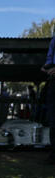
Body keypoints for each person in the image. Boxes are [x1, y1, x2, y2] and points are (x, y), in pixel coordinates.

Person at [41, 34, 55, 165]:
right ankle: (53, 154)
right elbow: (49, 57)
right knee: (53, 121)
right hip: (52, 80)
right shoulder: (53, 40)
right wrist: (47, 67)